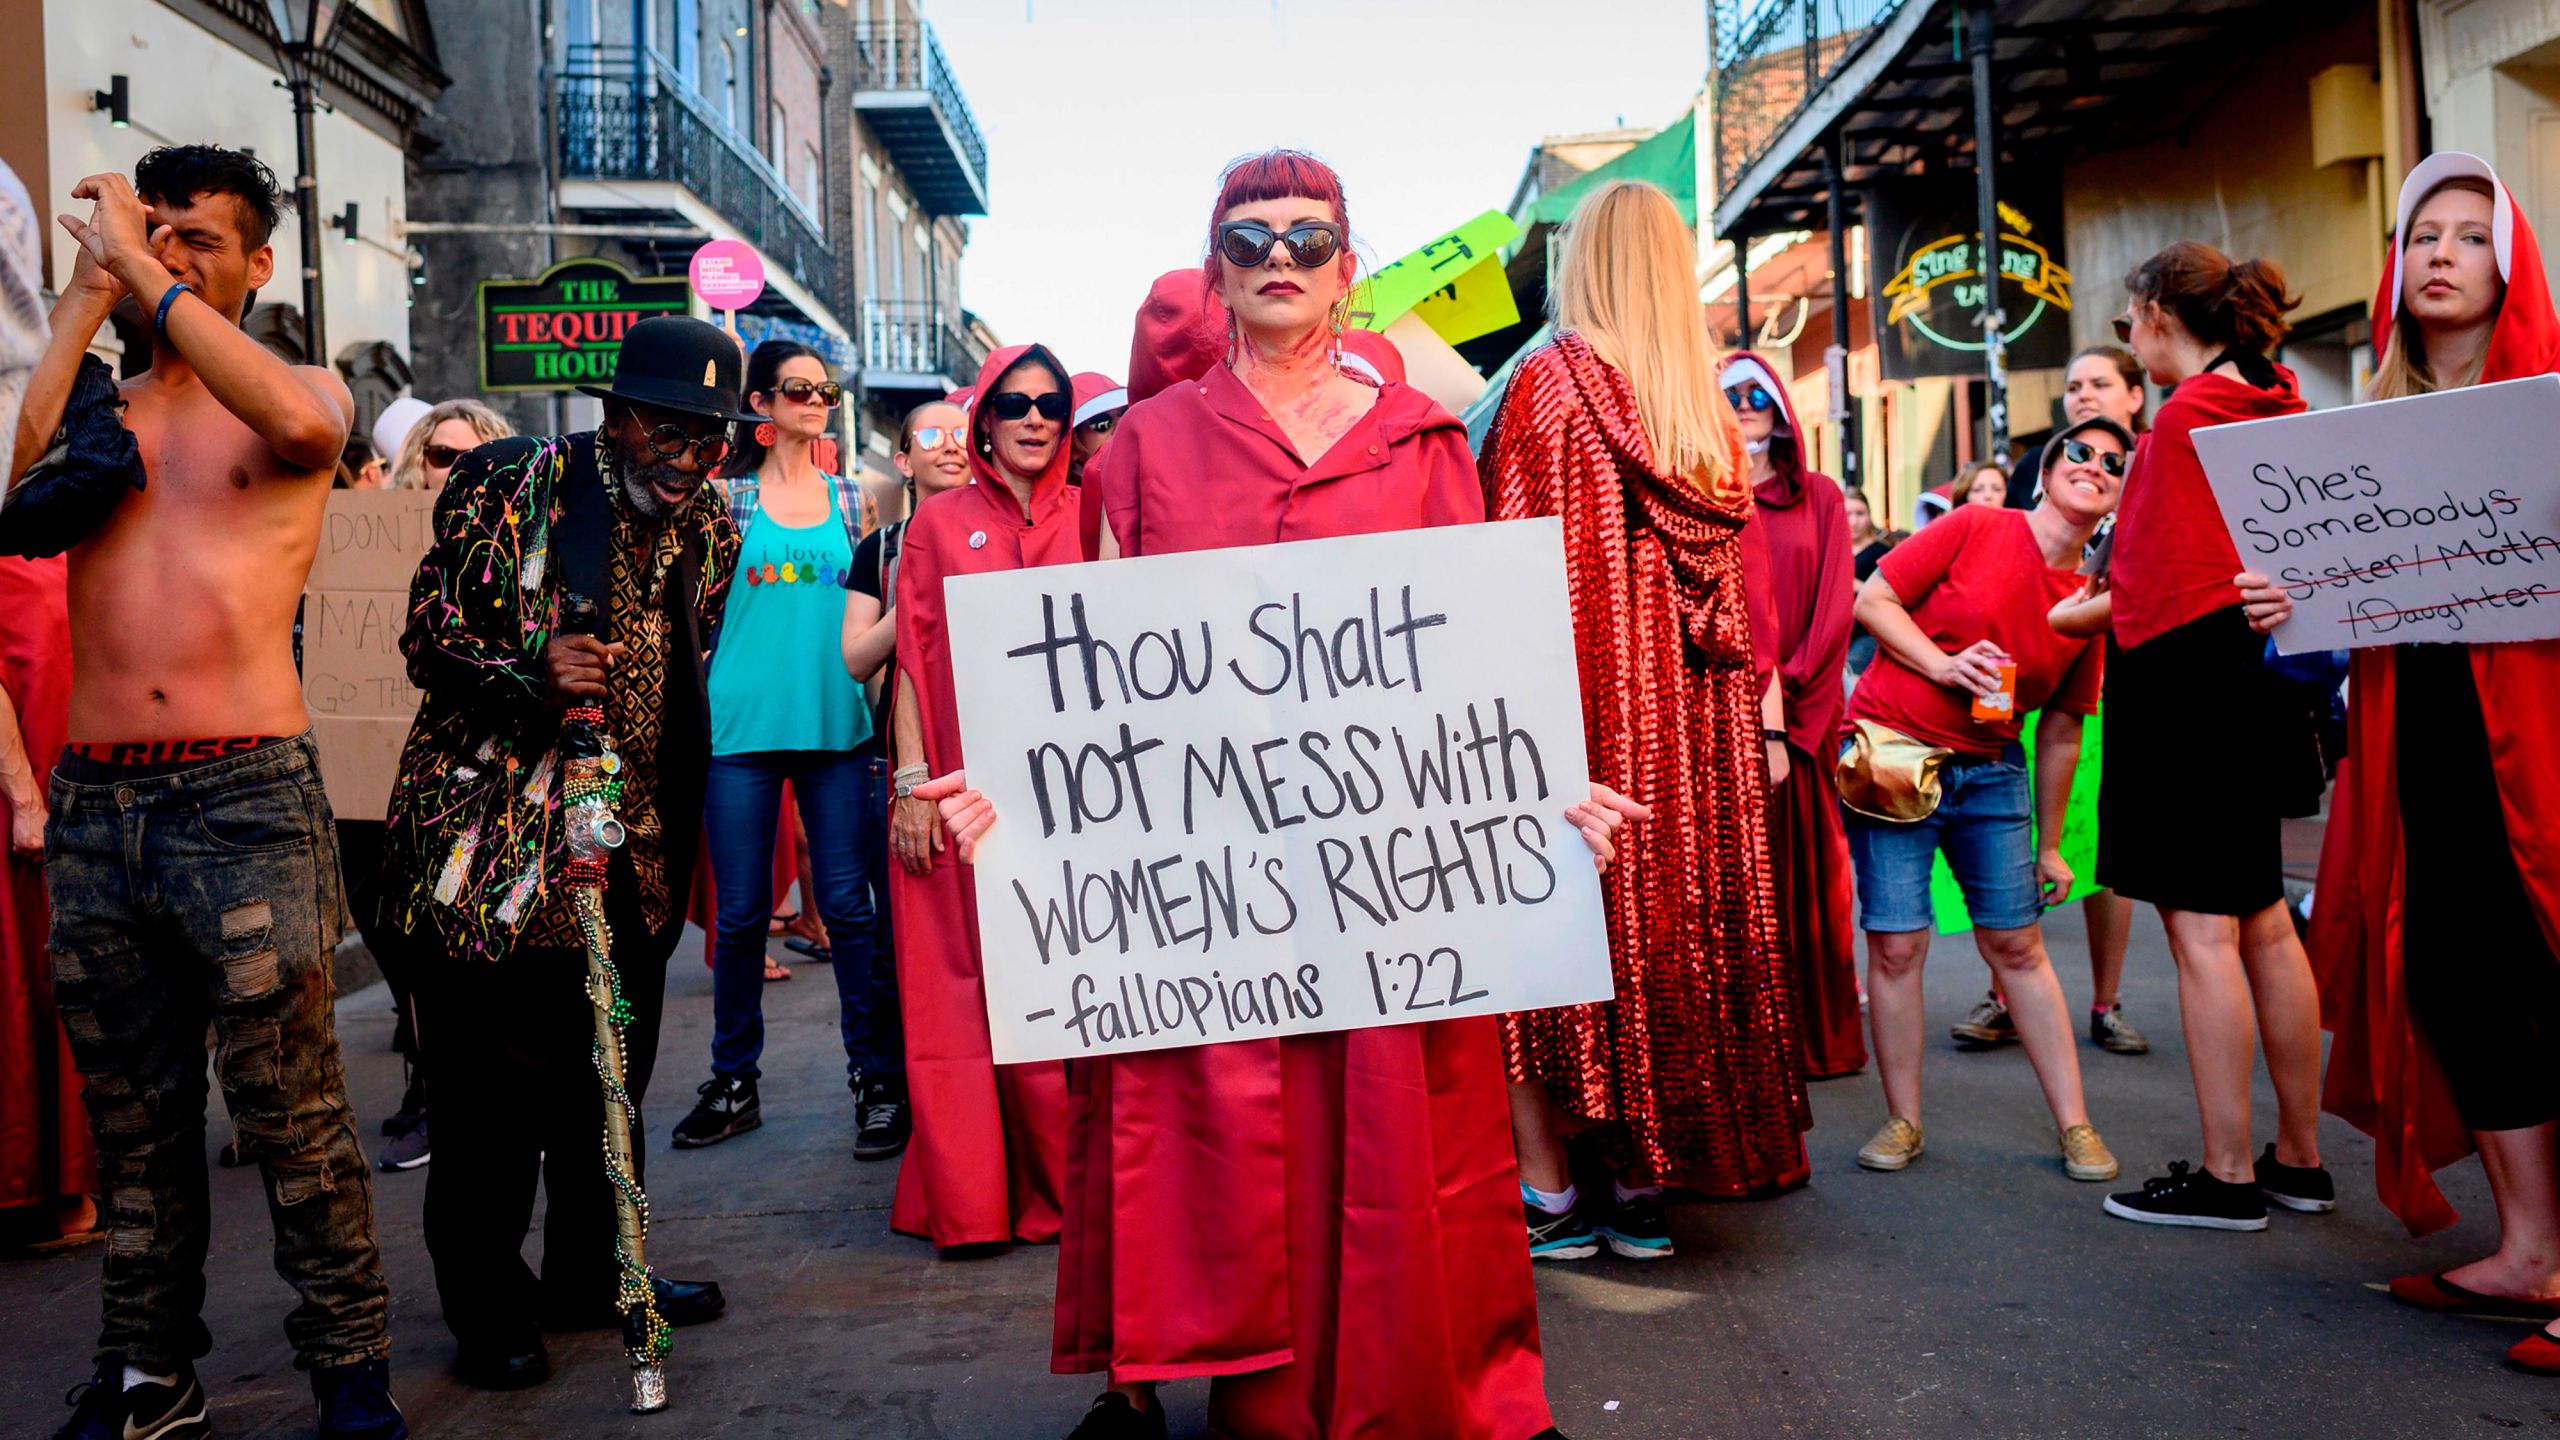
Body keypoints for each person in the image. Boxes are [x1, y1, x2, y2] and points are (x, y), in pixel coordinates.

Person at [949, 147, 1634, 1440]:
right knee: (1228, 1140)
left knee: (1408, 1129)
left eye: (1307, 239)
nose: (1279, 260)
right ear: (1216, 275)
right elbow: (1090, 676)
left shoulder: (1426, 443)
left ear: (1348, 271)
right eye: (1250, 240)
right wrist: (1020, 805)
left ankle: (1455, 1385)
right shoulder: (1141, 450)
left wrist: (1551, 792)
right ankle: (1255, 1403)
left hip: (1388, 879)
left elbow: (1484, 657)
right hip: (1222, 884)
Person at [7, 146, 404, 1440]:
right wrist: (80, 298)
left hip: (242, 798)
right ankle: (146, 1373)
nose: (169, 253)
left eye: (197, 240)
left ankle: (350, 1369)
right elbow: (19, 495)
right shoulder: (101, 410)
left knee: (293, 1111)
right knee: (135, 1120)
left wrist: (133, 264)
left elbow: (306, 432)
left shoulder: (295, 389)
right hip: (99, 803)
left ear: (256, 264)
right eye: (154, 232)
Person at [380, 314, 743, 1389]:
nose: (686, 461)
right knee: (489, 1108)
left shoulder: (713, 526)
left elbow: (682, 680)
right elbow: (428, 637)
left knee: (608, 1085)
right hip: (490, 855)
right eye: (668, 432)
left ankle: (596, 1276)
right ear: (617, 416)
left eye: (710, 439)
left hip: (624, 853)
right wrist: (528, 675)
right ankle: (490, 1308)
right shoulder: (511, 483)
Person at [1480, 180, 1807, 1269]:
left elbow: (1516, 564)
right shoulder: (1700, 406)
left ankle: (1550, 1188)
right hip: (1692, 727)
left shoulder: (1548, 385)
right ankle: (1645, 1180)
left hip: (1572, 711)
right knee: (1674, 930)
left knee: (1551, 939)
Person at [2289, 153, 2560, 1372]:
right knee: (2455, 974)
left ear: (2510, 261)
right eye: (2418, 235)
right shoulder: (2365, 433)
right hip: (2426, 736)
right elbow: (2341, 603)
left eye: (2467, 233)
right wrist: (2282, 593)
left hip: (2543, 735)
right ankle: (2531, 1248)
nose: (2438, 252)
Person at [2096, 240, 2331, 1231]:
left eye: (2130, 319)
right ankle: (2297, 1160)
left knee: (2201, 932)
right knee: (2266, 921)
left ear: (2157, 314)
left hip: (2185, 688)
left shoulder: (2184, 418)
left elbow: (2139, 591)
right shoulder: (2276, 398)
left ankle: (2227, 1174)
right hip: (2258, 681)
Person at [1842, 417, 2129, 1185]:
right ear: (2046, 468)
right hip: (1895, 751)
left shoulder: (2091, 596)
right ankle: (1903, 1119)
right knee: (1897, 943)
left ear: (2119, 494)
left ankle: (2077, 1124)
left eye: (2112, 461)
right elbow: (1874, 601)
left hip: (1993, 770)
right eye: (2078, 451)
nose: (2093, 465)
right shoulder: (1975, 525)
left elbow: (2063, 726)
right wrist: (1943, 664)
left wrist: (2050, 844)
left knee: (2017, 946)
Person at [666, 340, 888, 1153]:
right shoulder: (725, 503)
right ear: (758, 405)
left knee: (848, 910)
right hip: (739, 729)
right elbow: (692, 614)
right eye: (797, 390)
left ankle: (874, 1076)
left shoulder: (851, 497)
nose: (815, 400)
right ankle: (733, 1080)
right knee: (742, 914)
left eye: (824, 387)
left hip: (836, 725)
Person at [885, 344, 1076, 1252]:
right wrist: (913, 783)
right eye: (1015, 403)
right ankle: (974, 1196)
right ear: (984, 421)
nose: (1035, 417)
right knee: (968, 993)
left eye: (1050, 402)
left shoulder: (1102, 511)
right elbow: (914, 663)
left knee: (1066, 983)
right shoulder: (936, 524)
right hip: (968, 798)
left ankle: (1077, 1192)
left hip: (1085, 798)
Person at [1963, 344, 2150, 1057]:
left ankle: (2107, 1001)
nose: (2082, 395)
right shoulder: (2034, 470)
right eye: (2073, 385)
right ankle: (2005, 993)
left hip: (2113, 675)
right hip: (2023, 671)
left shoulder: (2152, 472)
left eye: (2100, 383)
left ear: (2134, 395)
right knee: (2007, 833)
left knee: (2103, 848)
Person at [834, 401, 973, 1163]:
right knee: (895, 936)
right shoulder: (880, 549)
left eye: (962, 430)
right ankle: (886, 1087)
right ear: (902, 456)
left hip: (990, 754)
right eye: (931, 435)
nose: (949, 446)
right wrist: (921, 585)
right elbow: (857, 659)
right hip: (903, 760)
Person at [1722, 349, 1864, 1081]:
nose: (1745, 403)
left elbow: (1836, 606)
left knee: (1812, 885)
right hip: (1722, 716)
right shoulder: (1704, 492)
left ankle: (1815, 1036)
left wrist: (1789, 694)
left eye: (1757, 391)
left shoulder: (1820, 498)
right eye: (1729, 392)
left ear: (1779, 405)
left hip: (1800, 720)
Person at [0, 552, 97, 1254]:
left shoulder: (64, 535)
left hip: (69, 787)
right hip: (23, 799)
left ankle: (68, 1178)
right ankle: (37, 1184)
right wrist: (24, 799)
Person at [386, 398, 511, 491]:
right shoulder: (389, 522)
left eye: (476, 458)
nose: (458, 469)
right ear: (421, 462)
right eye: (443, 454)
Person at [1067, 371, 1127, 484]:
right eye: (1102, 422)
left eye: (1125, 413)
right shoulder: (1072, 501)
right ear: (1073, 447)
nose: (1120, 426)